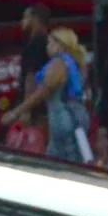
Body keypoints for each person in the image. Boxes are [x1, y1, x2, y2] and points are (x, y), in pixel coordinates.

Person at [13, 27, 95, 162]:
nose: (47, 47)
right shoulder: (78, 63)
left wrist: (18, 111)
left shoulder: (59, 63)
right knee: (77, 156)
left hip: (61, 115)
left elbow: (44, 91)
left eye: (50, 43)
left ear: (60, 46)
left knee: (59, 160)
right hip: (78, 113)